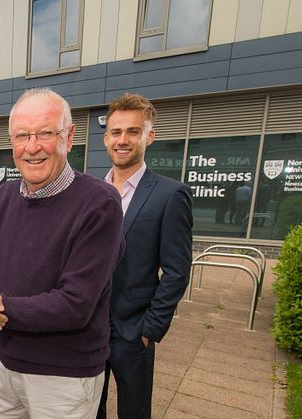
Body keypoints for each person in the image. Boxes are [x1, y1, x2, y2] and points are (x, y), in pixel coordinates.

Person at [0, 88, 125, 418]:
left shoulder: (100, 203)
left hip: (64, 378)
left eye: (45, 133)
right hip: (6, 365)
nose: (32, 147)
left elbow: (74, 304)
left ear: (69, 136)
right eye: (22, 136)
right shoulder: (4, 197)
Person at [96, 93, 193, 419]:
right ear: (106, 137)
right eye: (116, 132)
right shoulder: (92, 194)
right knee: (86, 410)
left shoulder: (169, 195)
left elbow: (177, 271)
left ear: (149, 136)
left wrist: (150, 328)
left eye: (133, 132)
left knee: (133, 414)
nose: (123, 140)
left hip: (133, 332)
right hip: (87, 329)